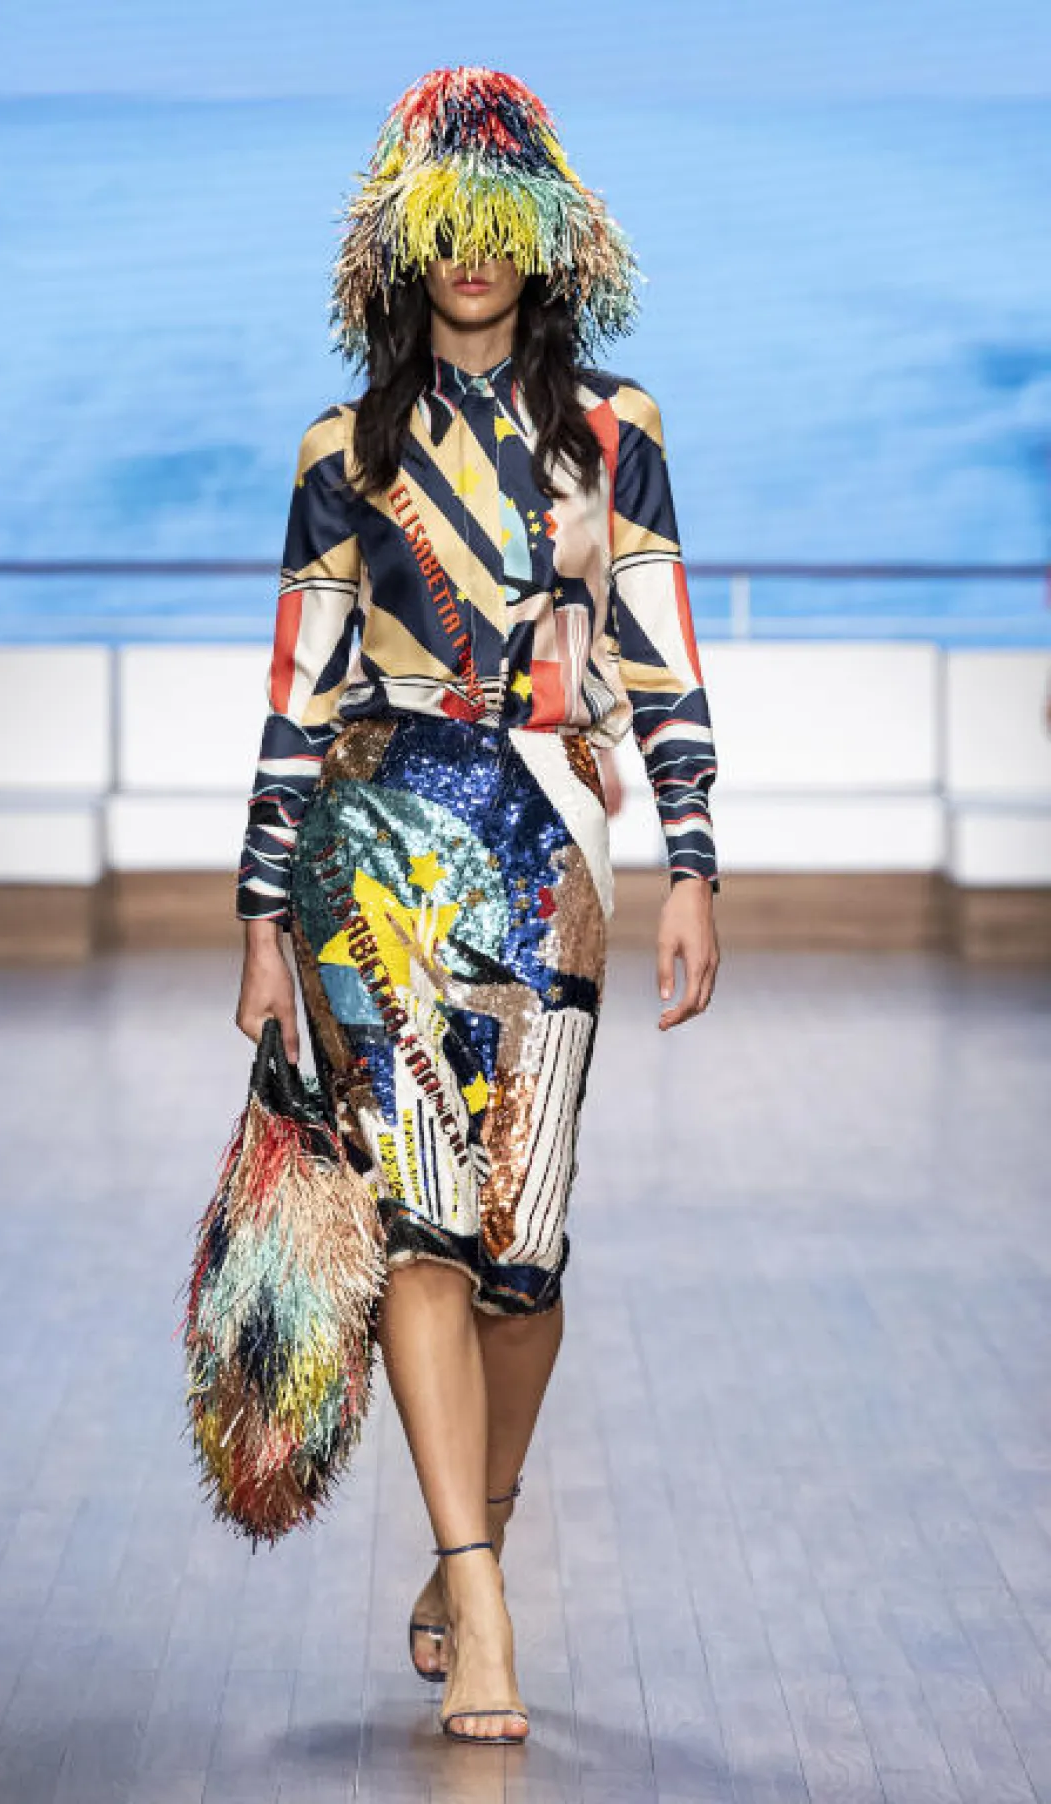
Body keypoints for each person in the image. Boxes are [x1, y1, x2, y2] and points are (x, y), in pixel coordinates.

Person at [234, 65, 721, 1745]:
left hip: (545, 856)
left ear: (547, 241)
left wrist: (692, 860)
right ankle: (482, 1594)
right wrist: (259, 920)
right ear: (402, 244)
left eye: (499, 223)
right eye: (444, 223)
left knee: (525, 1253)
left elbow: (659, 656)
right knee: (419, 1227)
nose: (472, 253)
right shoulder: (341, 454)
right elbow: (300, 695)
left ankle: (477, 1540)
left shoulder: (615, 437)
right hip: (369, 856)